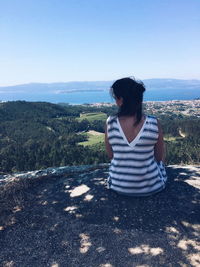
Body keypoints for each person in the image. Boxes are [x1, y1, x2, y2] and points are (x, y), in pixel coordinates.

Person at [105, 77, 167, 196]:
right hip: (152, 187)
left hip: (118, 185)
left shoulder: (110, 122)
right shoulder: (154, 122)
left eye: (115, 98)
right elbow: (159, 158)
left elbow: (111, 156)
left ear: (120, 100)